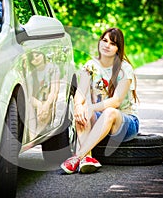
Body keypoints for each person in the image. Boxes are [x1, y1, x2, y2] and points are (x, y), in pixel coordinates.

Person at [60, 27, 139, 174]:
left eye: (113, 43)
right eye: (104, 40)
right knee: (83, 111)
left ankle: (77, 157)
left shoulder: (125, 69)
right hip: (99, 120)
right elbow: (81, 92)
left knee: (109, 111)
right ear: (99, 42)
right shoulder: (90, 66)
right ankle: (87, 159)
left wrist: (91, 108)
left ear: (118, 49)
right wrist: (78, 106)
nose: (107, 45)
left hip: (123, 122)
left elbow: (116, 102)